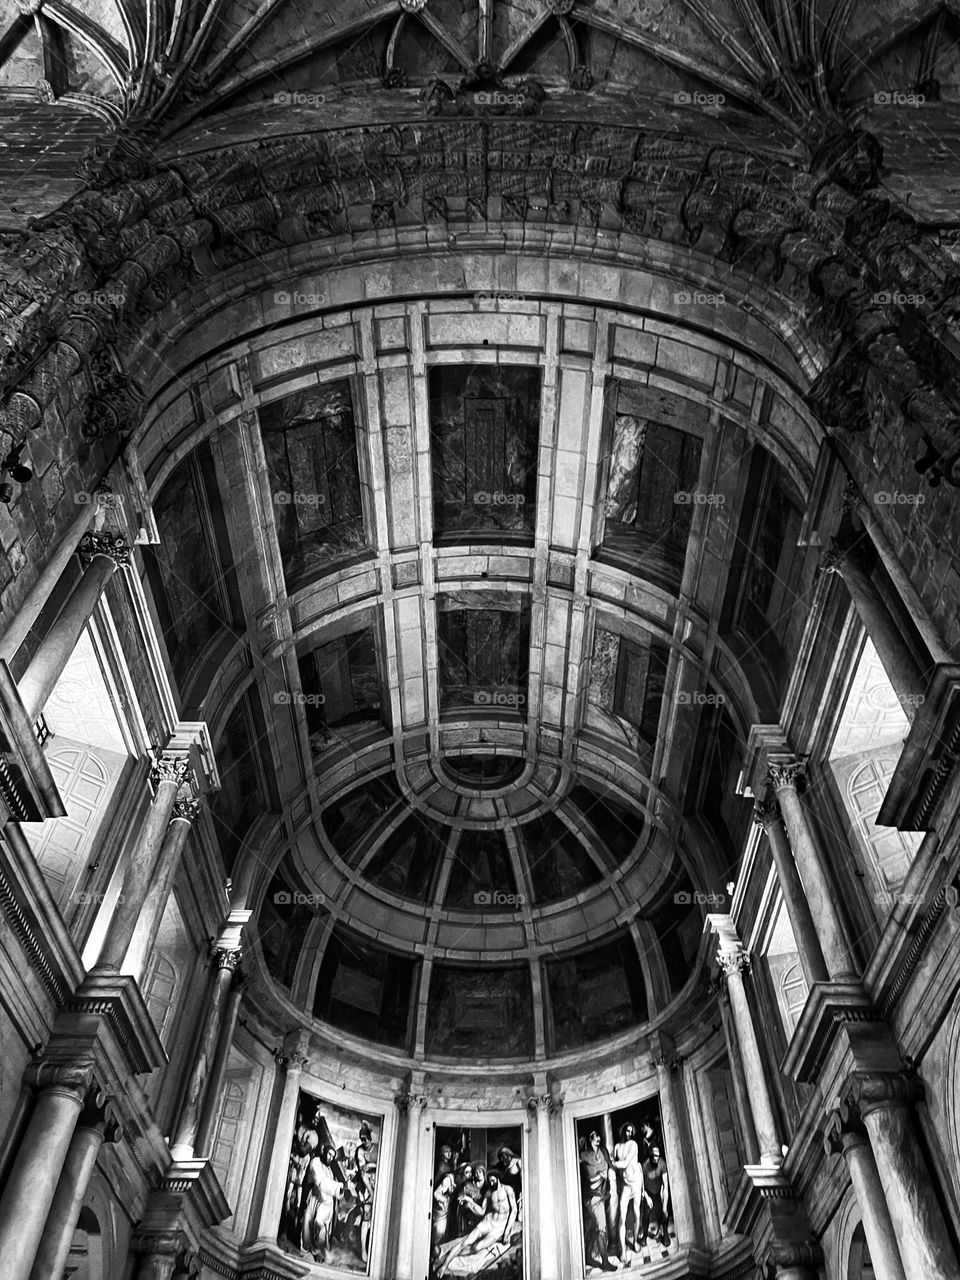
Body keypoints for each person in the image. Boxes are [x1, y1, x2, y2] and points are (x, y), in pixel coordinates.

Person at [437, 1173, 517, 1278]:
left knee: (477, 1247)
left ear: (498, 1178)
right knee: (465, 1242)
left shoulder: (508, 1190)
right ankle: (444, 1265)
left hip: (498, 1228)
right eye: (490, 1181)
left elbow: (514, 1210)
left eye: (493, 1180)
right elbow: (482, 1212)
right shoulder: (489, 1193)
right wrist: (470, 1201)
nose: (491, 1183)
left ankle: (449, 1257)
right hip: (487, 1221)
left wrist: (506, 1232)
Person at [579, 1130, 618, 1272]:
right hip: (592, 1198)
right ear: (590, 1139)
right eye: (595, 1137)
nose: (599, 1138)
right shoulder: (583, 1156)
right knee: (601, 1230)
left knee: (592, 1230)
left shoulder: (603, 1151)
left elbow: (611, 1166)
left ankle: (588, 1257)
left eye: (599, 1136)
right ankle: (605, 1262)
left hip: (603, 1195)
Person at [300, 1144, 344, 1262]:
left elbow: (331, 1184)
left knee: (319, 1222)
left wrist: (340, 1188)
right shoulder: (316, 1162)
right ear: (324, 1151)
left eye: (333, 1156)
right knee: (307, 1221)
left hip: (326, 1201)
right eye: (329, 1154)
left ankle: (319, 1252)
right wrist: (339, 1187)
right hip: (314, 1196)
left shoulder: (329, 1169)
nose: (330, 1158)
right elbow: (320, 1181)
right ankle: (307, 1249)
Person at [611, 1123, 643, 1261]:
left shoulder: (634, 1145)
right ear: (623, 1131)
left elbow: (623, 1164)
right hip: (625, 1184)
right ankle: (623, 1251)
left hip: (635, 1182)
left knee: (637, 1214)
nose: (628, 1133)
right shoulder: (617, 1147)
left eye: (631, 1131)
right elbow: (614, 1163)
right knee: (622, 1218)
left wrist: (612, 1163)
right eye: (626, 1131)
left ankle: (635, 1241)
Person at [352, 1123, 378, 1263]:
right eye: (362, 1139)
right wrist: (371, 1194)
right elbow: (363, 1172)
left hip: (378, 1181)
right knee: (366, 1215)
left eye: (366, 1139)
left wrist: (372, 1165)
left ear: (370, 1137)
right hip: (366, 1185)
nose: (364, 1142)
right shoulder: (359, 1151)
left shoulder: (378, 1147)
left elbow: (381, 1165)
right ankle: (363, 1250)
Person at [639, 1144, 670, 1252]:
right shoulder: (645, 1165)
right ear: (651, 1156)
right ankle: (644, 1236)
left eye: (658, 1156)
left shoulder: (662, 1164)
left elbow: (665, 1185)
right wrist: (646, 1196)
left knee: (663, 1211)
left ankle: (665, 1234)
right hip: (648, 1193)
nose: (656, 1158)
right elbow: (641, 1184)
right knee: (646, 1212)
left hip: (659, 1192)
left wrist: (665, 1205)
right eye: (654, 1156)